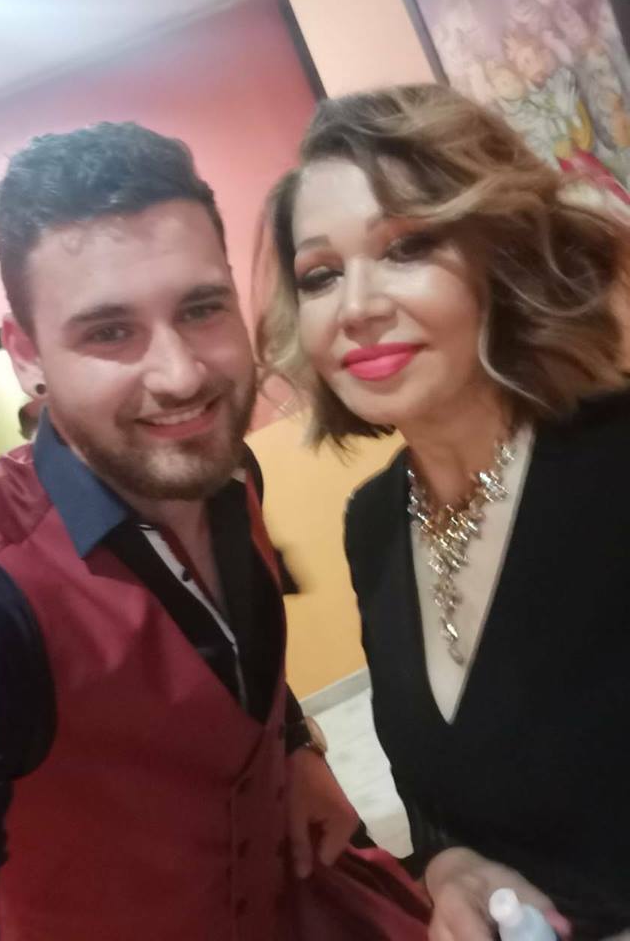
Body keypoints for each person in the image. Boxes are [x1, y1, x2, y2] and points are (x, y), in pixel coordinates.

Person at [0, 122, 370, 941]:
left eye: (202, 308)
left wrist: (294, 746)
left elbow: (222, 644)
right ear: (26, 354)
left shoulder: (226, 471)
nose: (182, 376)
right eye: (109, 331)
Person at [257, 83, 630, 941]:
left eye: (407, 246)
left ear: (503, 254)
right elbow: (436, 790)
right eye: (320, 275)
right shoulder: (374, 524)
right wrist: (449, 865)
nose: (356, 306)